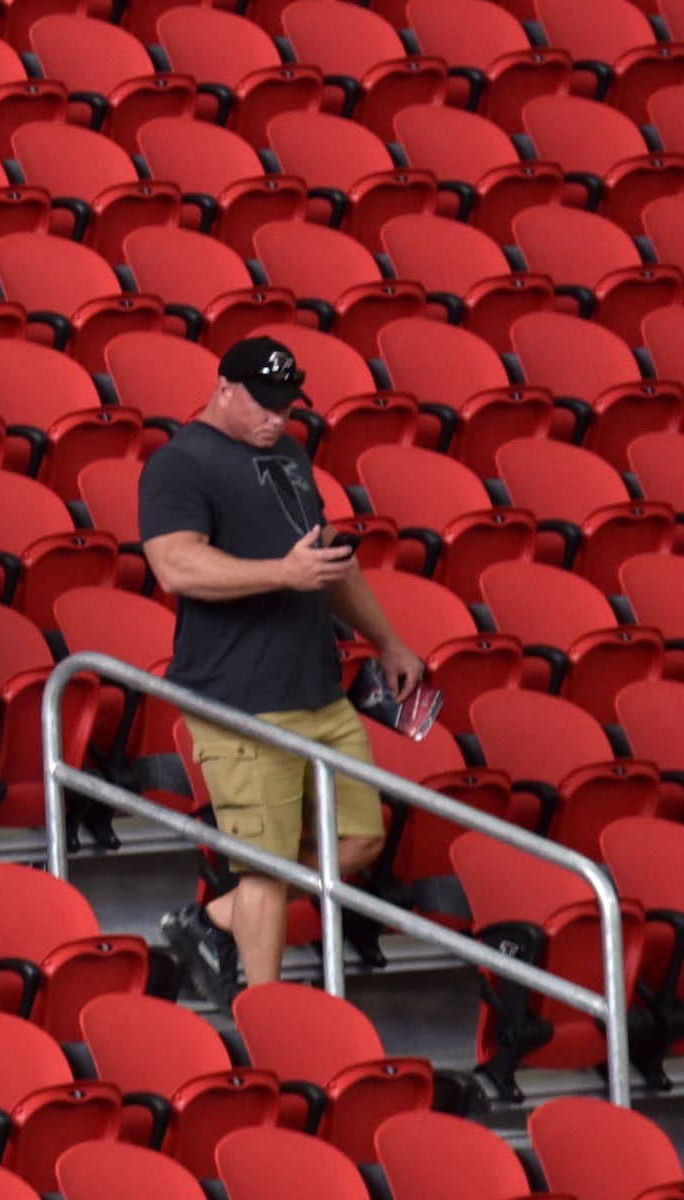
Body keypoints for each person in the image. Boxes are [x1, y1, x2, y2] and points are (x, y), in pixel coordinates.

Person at [140, 337, 424, 1004]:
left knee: (359, 841)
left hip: (316, 686)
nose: (277, 417)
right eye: (264, 404)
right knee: (265, 870)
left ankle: (211, 919)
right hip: (238, 696)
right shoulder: (180, 464)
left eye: (287, 406)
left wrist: (387, 640)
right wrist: (282, 573)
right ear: (224, 389)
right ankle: (265, 1023)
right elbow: (174, 565)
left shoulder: (289, 453)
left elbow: (328, 559)